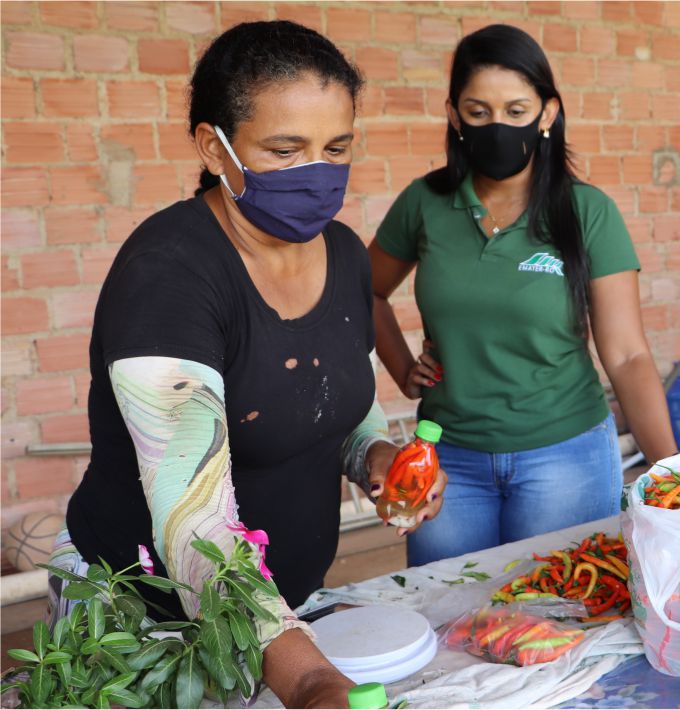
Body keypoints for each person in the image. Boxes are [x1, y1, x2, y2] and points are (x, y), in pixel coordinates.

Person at [53, 21, 445, 708]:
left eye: (337, 148)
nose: (317, 173)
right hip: (146, 633)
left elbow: (336, 403)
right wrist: (314, 681)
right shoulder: (169, 277)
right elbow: (193, 526)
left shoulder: (347, 255)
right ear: (215, 146)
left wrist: (377, 458)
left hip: (284, 618)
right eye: (285, 149)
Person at [369, 24, 678, 567]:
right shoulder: (425, 203)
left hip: (565, 459)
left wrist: (676, 478)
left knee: (556, 623)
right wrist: (400, 368)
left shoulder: (587, 212)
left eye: (516, 110)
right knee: (448, 620)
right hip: (448, 462)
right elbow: (366, 291)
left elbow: (628, 355)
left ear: (548, 113)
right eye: (479, 110)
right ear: (453, 114)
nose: (498, 126)